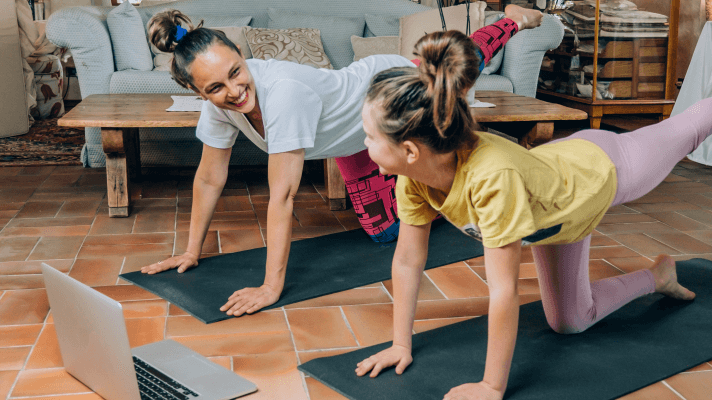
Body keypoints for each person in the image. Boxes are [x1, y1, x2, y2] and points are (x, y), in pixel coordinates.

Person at [354, 29, 700, 400]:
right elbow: (407, 261)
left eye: (370, 136)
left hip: (605, 169)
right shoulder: (415, 177)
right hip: (556, 216)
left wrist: (491, 386)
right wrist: (399, 345)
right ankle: (658, 277)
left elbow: (504, 291)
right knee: (570, 322)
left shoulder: (492, 179)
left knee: (689, 128)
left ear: (409, 150)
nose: (364, 143)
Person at [139, 6, 544, 318]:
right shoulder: (219, 104)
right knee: (385, 234)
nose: (234, 90)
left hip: (381, 94)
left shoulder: (283, 93)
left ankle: (509, 22)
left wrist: (270, 287)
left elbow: (282, 197)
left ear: (243, 56)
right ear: (197, 91)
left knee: (456, 66)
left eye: (236, 72)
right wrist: (191, 250)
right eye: (215, 87)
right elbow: (210, 177)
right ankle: (432, 201)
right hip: (350, 144)